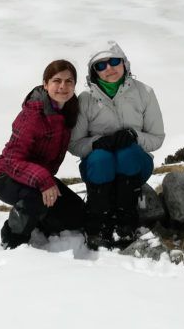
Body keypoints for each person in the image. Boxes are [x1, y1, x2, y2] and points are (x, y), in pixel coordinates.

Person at [69, 41, 165, 249]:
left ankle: (126, 221)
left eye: (114, 61)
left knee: (126, 154)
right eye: (101, 65)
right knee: (101, 157)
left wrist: (134, 136)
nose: (109, 69)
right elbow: (74, 144)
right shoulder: (85, 100)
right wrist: (97, 143)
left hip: (135, 164)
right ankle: (98, 224)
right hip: (98, 167)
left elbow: (157, 137)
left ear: (124, 63)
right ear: (93, 72)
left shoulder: (144, 93)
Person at [0, 59, 86, 249]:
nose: (62, 86)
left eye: (69, 81)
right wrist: (44, 180)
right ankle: (13, 236)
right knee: (36, 200)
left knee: (77, 216)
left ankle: (40, 220)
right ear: (45, 84)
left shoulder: (70, 108)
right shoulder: (33, 114)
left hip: (40, 178)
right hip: (7, 178)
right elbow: (12, 160)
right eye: (56, 81)